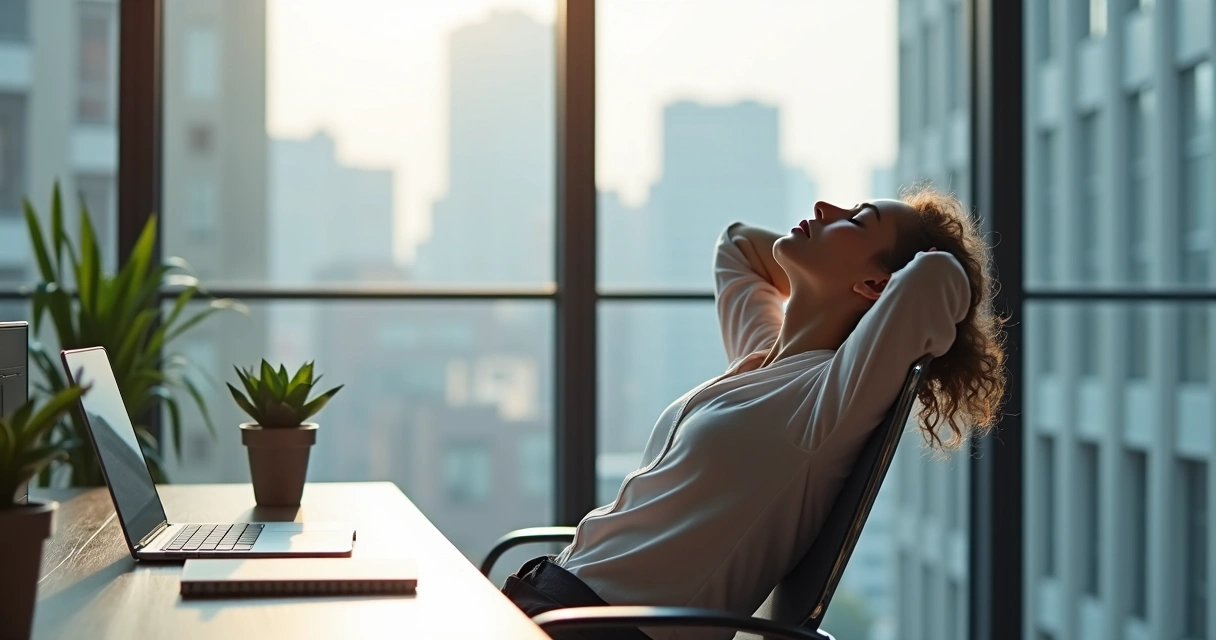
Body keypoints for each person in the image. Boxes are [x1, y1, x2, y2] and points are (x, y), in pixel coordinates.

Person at [503, 186, 1007, 640]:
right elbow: (738, 245)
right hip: (554, 595)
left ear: (878, 286)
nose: (823, 208)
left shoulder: (829, 400)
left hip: (598, 629)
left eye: (856, 219)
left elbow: (939, 276)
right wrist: (824, 256)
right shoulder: (765, 358)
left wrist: (899, 256)